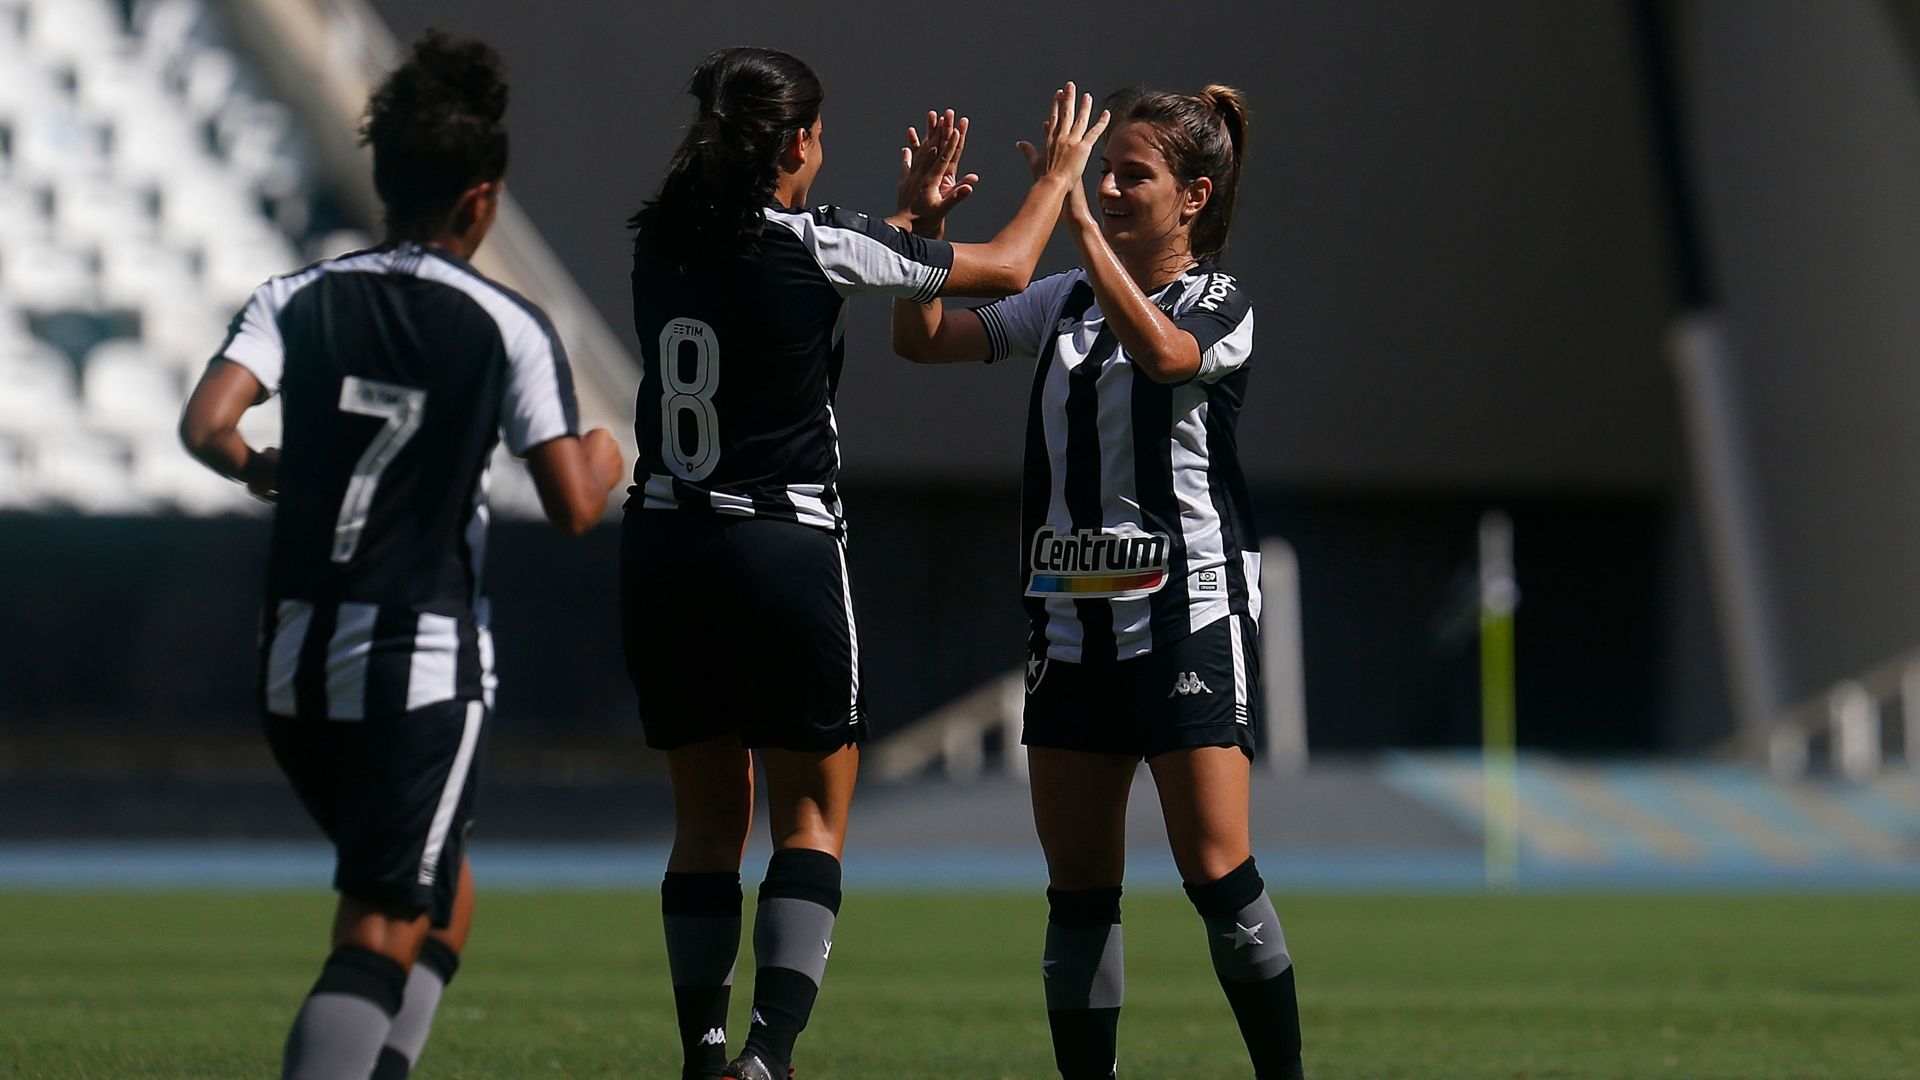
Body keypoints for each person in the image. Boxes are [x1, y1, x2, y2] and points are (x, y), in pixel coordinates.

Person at [622, 46, 1108, 1080]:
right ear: (797, 142)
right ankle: (768, 1054)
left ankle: (702, 1055)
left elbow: (866, 265)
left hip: (665, 546)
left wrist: (914, 219)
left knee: (706, 822)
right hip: (780, 546)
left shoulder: (658, 235)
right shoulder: (819, 241)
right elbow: (1012, 270)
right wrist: (1055, 181)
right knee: (811, 813)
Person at [178, 32, 623, 1080]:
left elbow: (206, 424)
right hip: (418, 662)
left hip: (292, 658)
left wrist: (260, 467)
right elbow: (572, 504)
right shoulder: (507, 323)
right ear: (481, 201)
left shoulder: (298, 295)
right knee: (378, 926)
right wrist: (605, 450)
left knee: (440, 886)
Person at [891, 85, 1302, 1079]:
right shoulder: (1064, 302)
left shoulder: (1217, 301)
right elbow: (923, 338)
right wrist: (927, 230)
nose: (1109, 187)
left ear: (1194, 197)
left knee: (1216, 869)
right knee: (1077, 885)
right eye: (1101, 169)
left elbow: (1166, 358)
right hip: (1070, 628)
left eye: (1134, 175)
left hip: (1185, 618)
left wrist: (1072, 217)